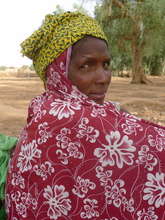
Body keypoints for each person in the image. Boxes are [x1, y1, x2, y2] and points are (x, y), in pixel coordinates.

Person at [5, 11, 165, 220]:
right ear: (59, 70)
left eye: (106, 64)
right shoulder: (64, 118)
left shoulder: (42, 107)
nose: (103, 78)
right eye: (86, 65)